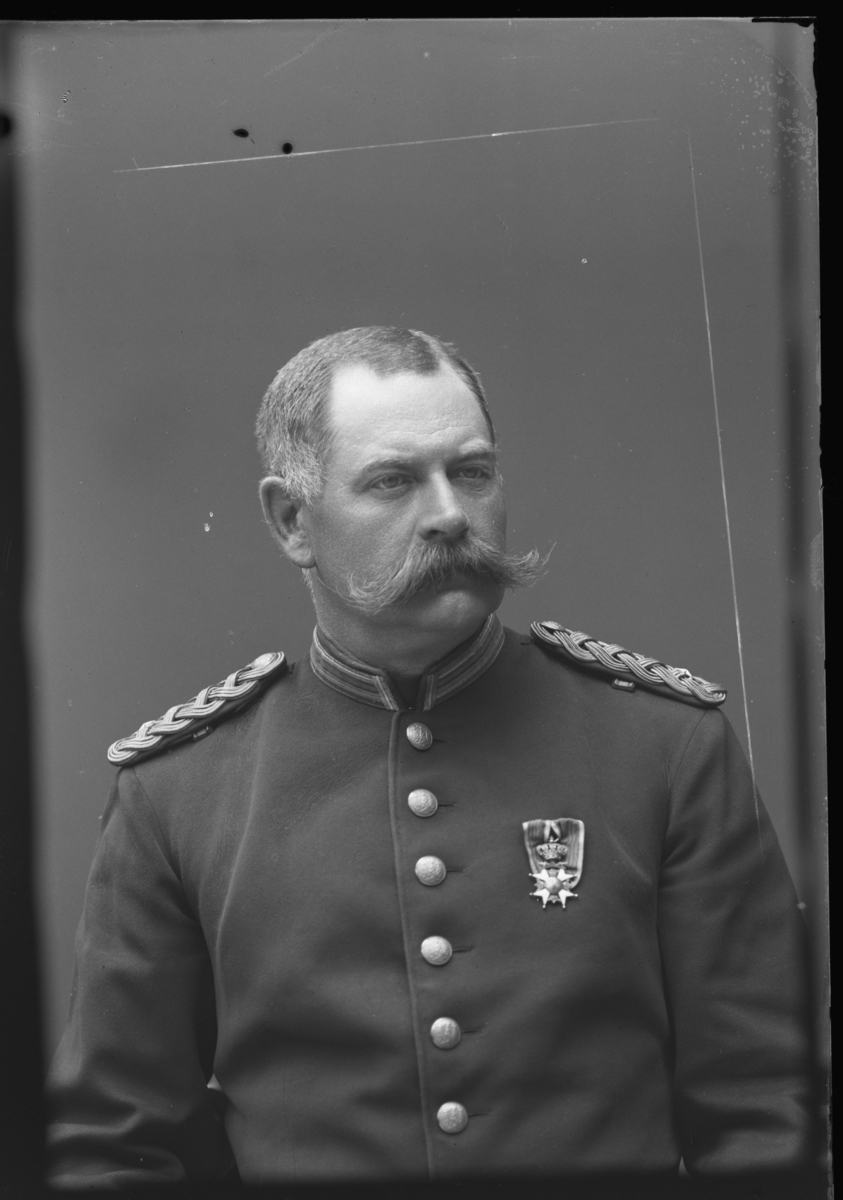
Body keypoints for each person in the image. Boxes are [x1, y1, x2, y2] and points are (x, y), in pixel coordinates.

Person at [46, 327, 812, 1186]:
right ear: (291, 520)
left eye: (471, 472)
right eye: (393, 481)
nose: (449, 513)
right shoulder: (178, 792)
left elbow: (764, 1112)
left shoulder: (665, 749)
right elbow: (112, 1148)